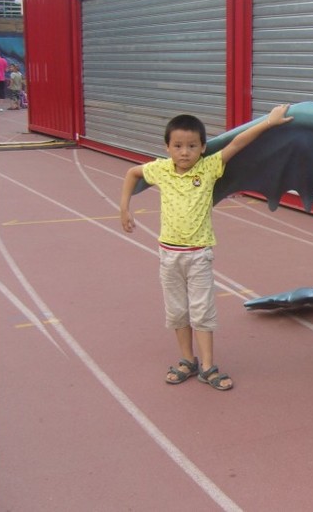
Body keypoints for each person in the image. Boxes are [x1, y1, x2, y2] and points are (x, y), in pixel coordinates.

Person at [120, 105, 293, 390]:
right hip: (168, 256)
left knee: (202, 312)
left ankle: (208, 366)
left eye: (192, 146)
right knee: (177, 312)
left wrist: (269, 123)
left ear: (202, 148)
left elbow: (237, 143)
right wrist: (124, 208)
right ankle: (187, 360)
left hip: (198, 256)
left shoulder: (209, 167)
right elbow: (131, 173)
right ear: (167, 147)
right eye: (177, 146)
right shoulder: (161, 170)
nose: (184, 152)